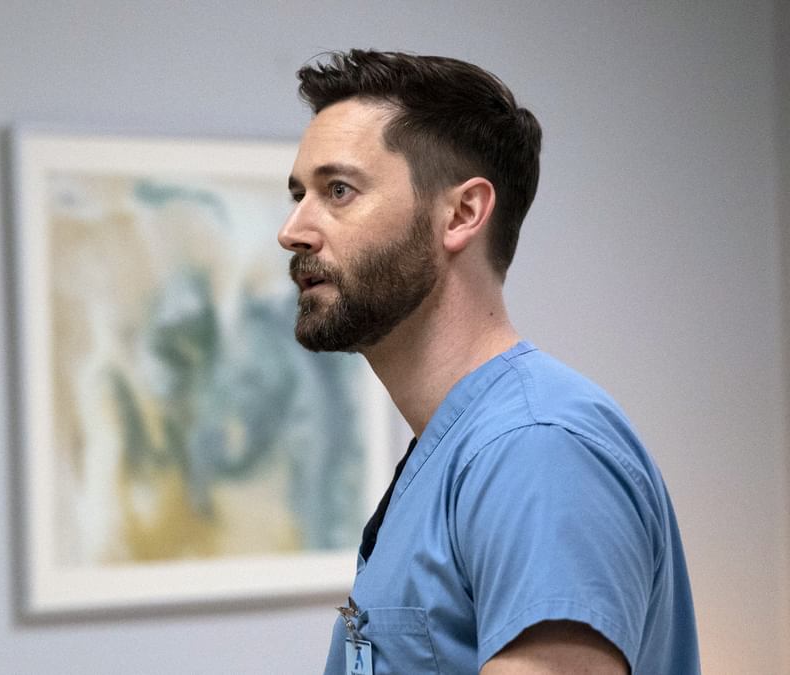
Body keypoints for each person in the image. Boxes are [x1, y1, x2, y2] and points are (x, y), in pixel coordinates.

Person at [278, 50, 699, 674]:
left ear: (462, 214)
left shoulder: (537, 449)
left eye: (339, 191)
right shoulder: (462, 448)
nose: (292, 230)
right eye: (299, 195)